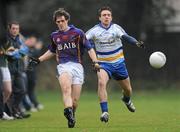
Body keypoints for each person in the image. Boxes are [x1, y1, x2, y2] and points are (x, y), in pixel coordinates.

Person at [29, 8, 100, 128]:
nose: (60, 23)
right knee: (66, 89)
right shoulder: (54, 36)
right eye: (58, 22)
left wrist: (96, 62)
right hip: (63, 66)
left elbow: (89, 48)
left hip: (77, 66)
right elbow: (52, 51)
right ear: (56, 23)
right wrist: (39, 59)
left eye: (62, 21)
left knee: (75, 102)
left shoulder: (78, 33)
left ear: (67, 20)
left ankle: (72, 114)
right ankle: (68, 111)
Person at [86, 6, 145, 123]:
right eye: (104, 15)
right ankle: (105, 112)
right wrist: (91, 51)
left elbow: (126, 37)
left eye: (108, 15)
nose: (106, 17)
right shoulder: (94, 31)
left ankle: (126, 100)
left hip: (119, 63)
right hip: (103, 64)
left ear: (111, 17)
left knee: (128, 90)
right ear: (100, 18)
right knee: (101, 83)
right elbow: (83, 40)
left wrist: (136, 43)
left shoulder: (116, 28)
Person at [5, 21, 30, 119]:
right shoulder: (6, 39)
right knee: (8, 92)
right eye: (13, 28)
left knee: (22, 90)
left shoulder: (20, 39)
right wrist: (18, 52)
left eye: (17, 29)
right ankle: (12, 112)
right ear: (9, 29)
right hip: (8, 68)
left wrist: (16, 52)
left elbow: (25, 51)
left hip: (19, 69)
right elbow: (8, 54)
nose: (15, 30)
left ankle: (15, 110)